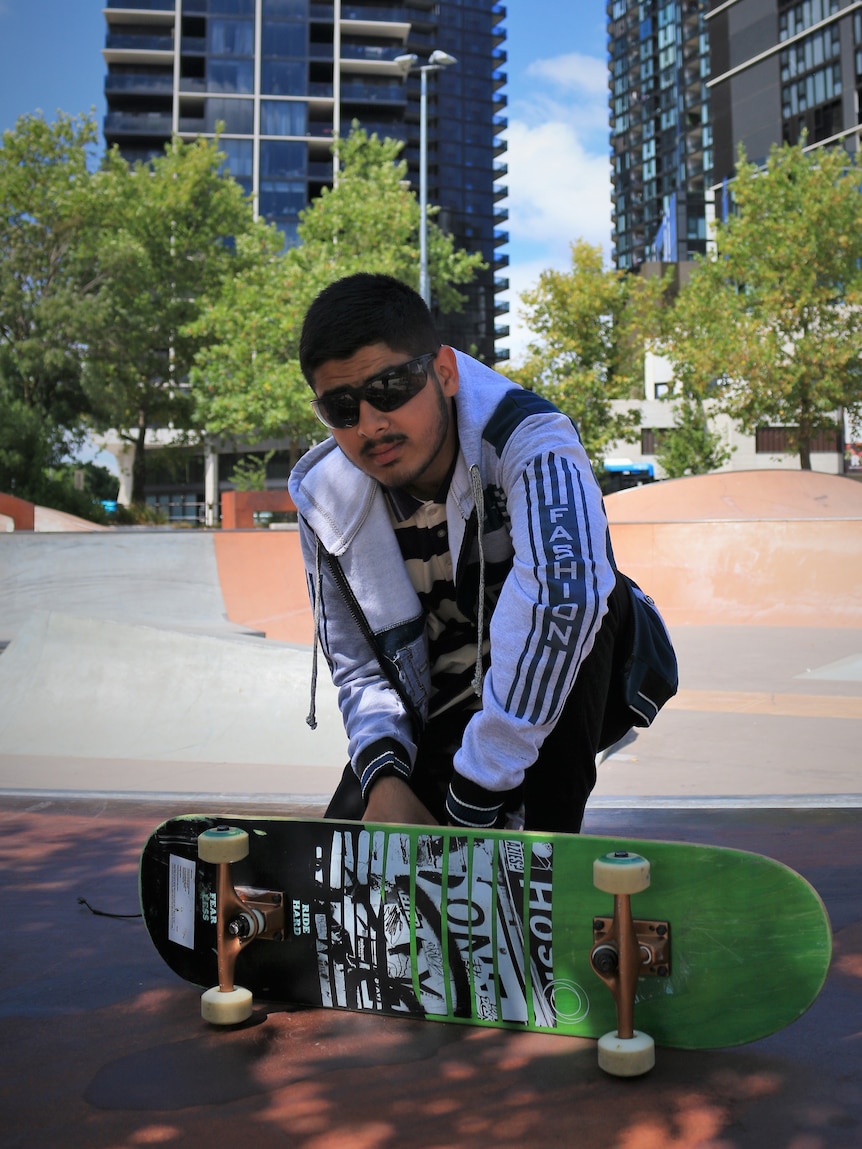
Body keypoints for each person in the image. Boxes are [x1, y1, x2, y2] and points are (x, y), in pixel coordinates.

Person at [288, 273, 676, 833]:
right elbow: (358, 668)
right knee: (345, 860)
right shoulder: (326, 497)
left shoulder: (531, 441)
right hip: (437, 710)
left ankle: (547, 849)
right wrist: (385, 780)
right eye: (342, 408)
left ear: (443, 371)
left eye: (391, 388)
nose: (371, 423)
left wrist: (473, 800)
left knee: (589, 592)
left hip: (559, 685)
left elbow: (567, 600)